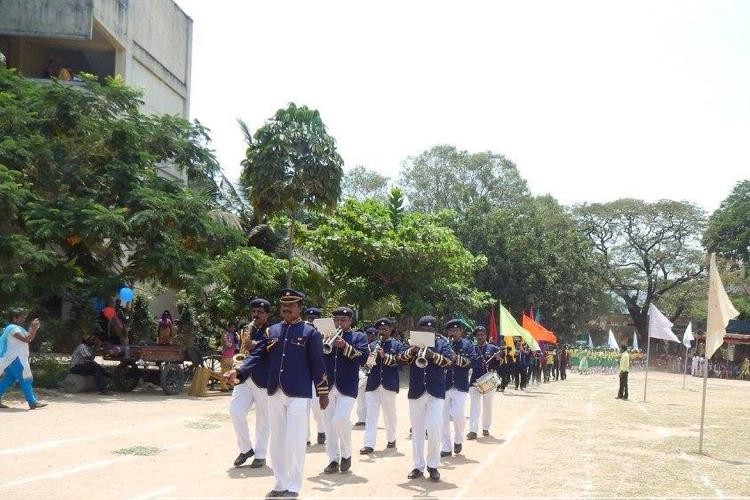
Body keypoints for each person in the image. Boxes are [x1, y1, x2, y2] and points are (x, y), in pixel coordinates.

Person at [225, 288, 329, 499]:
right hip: (275, 391)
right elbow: (257, 355)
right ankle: (280, 483)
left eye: (291, 305)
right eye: (284, 305)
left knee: (295, 439)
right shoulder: (272, 331)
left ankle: (293, 486)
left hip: (299, 393)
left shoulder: (310, 333)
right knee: (277, 440)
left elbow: (318, 365)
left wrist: (323, 392)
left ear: (300, 307)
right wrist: (239, 370)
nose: (286, 308)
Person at [398, 315, 454, 482]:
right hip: (416, 392)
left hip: (436, 392)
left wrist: (432, 356)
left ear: (435, 331)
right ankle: (417, 465)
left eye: (430, 330)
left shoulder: (443, 344)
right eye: (423, 330)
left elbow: (450, 362)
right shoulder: (411, 343)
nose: (426, 332)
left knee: (435, 427)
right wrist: (412, 351)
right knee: (417, 431)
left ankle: (433, 465)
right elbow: (398, 359)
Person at [321, 307, 368, 474]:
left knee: (340, 419)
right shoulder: (324, 336)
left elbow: (362, 358)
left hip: (347, 385)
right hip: (327, 385)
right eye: (337, 320)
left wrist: (345, 346)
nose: (339, 323)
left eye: (343, 320)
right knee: (328, 424)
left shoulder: (358, 336)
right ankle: (333, 459)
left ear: (350, 321)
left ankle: (346, 454)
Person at [228, 299, 272, 469]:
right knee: (235, 411)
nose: (256, 315)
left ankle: (260, 455)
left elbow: (268, 349)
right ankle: (246, 449)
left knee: (263, 419)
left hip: (263, 379)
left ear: (267, 314)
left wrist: (252, 344)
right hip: (244, 378)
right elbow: (243, 351)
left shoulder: (271, 330)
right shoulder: (246, 329)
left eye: (260, 312)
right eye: (254, 312)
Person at [360, 318, 405, 454]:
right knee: (371, 415)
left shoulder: (397, 345)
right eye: (380, 329)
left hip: (389, 384)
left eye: (385, 329)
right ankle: (368, 444)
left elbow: (399, 363)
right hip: (373, 384)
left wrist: (384, 356)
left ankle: (391, 438)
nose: (382, 332)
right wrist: (371, 358)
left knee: (389, 414)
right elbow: (367, 366)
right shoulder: (371, 345)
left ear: (391, 330)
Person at [441, 319, 476, 457]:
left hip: (460, 385)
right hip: (444, 384)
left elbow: (472, 362)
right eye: (450, 331)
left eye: (455, 331)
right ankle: (446, 447)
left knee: (458, 414)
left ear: (461, 331)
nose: (453, 333)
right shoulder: (444, 344)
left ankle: (458, 439)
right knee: (443, 417)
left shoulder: (468, 345)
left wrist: (456, 358)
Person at [0, 308, 46, 409]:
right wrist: (32, 328)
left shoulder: (17, 328)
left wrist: (34, 329)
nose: (24, 319)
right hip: (14, 359)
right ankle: (32, 402)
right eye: (22, 317)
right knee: (25, 379)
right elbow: (26, 339)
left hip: (11, 359)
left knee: (9, 379)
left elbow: (29, 338)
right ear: (14, 318)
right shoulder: (12, 328)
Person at [467, 326, 500, 439]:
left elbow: (498, 364)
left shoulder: (493, 348)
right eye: (478, 335)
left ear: (486, 335)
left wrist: (498, 358)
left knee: (488, 406)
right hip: (474, 382)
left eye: (482, 334)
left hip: (488, 381)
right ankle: (473, 430)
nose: (480, 337)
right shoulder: (472, 349)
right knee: (474, 407)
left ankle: (486, 428)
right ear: (476, 337)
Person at [303, 306, 326, 446]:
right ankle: (305, 437)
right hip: (304, 374)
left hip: (318, 374)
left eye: (314, 319)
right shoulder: (303, 331)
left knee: (317, 408)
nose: (311, 321)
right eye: (309, 318)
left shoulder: (325, 332)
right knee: (303, 408)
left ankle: (322, 430)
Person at [355, 326, 378, 426]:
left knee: (370, 398)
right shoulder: (361, 344)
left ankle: (369, 418)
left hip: (372, 374)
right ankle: (362, 418)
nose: (371, 337)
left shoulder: (375, 345)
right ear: (366, 335)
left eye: (374, 335)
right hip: (361, 372)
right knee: (360, 398)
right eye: (369, 334)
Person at [220, 322, 238, 391]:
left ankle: (231, 385)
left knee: (231, 370)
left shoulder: (234, 334)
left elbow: (238, 343)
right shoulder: (225, 334)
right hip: (226, 355)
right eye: (231, 327)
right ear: (229, 327)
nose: (233, 328)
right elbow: (227, 344)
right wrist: (235, 345)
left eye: (234, 327)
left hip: (232, 355)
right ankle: (223, 386)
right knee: (224, 370)